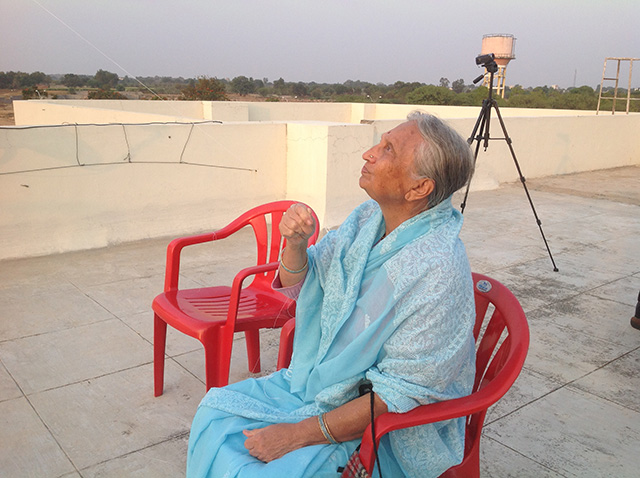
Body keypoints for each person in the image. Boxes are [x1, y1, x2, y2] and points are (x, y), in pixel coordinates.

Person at [187, 111, 477, 478]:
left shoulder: (438, 269)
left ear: (419, 188)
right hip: (324, 384)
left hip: (389, 427)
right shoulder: (367, 218)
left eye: (388, 149)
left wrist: (296, 436)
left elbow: (399, 396)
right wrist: (294, 244)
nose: (368, 153)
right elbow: (303, 285)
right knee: (213, 412)